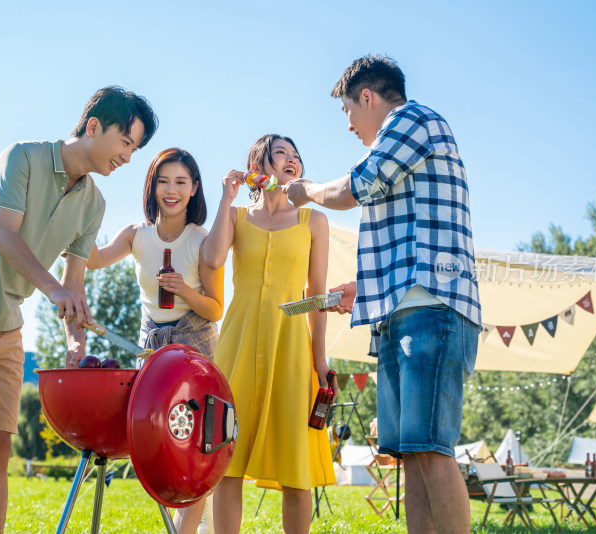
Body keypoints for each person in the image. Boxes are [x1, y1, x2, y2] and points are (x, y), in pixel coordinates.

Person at [0, 86, 157, 534]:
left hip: (5, 328)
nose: (127, 157)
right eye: (126, 142)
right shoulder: (21, 158)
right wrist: (53, 293)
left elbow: (74, 285)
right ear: (94, 126)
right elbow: (3, 237)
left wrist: (75, 343)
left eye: (135, 149)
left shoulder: (94, 204)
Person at [283, 55, 481, 534]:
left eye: (348, 111)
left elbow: (361, 186)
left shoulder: (411, 119)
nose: (349, 124)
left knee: (432, 449)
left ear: (367, 97)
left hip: (432, 307)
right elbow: (408, 229)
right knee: (411, 456)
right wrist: (363, 287)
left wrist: (306, 190)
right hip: (401, 310)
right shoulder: (400, 142)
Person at [204, 135, 337, 534]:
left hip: (292, 349)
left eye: (296, 155)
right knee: (228, 458)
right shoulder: (237, 216)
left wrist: (319, 359)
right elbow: (212, 259)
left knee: (295, 466)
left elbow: (317, 296)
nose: (292, 160)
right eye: (282, 153)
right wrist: (226, 200)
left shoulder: (314, 221)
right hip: (237, 347)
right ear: (258, 165)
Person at [87, 147, 222, 534]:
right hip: (151, 347)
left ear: (194, 188)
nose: (171, 190)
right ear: (152, 186)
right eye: (164, 181)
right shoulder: (136, 236)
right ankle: (189, 522)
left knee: (195, 444)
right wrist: (70, 225)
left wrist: (185, 291)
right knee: (159, 442)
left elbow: (215, 309)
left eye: (181, 181)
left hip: (196, 346)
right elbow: (93, 258)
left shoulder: (203, 239)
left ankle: (186, 527)